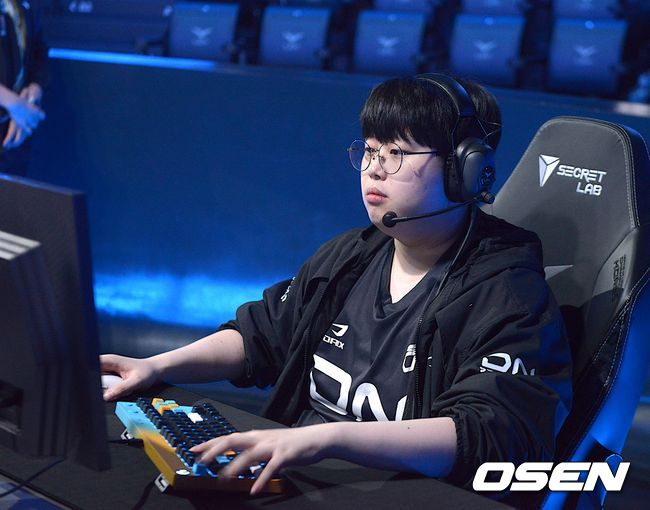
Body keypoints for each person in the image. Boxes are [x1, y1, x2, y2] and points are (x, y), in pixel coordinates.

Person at [100, 73, 572, 496]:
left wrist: (326, 438)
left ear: (464, 170)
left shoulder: (507, 292)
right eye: (369, 149)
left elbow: (487, 433)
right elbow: (261, 334)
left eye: (397, 153)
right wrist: (156, 366)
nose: (374, 168)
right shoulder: (351, 256)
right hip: (295, 478)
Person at [0, 0, 47, 176]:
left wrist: (34, 91)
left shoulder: (24, 5)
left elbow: (39, 51)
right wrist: (14, 104)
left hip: (15, 136)